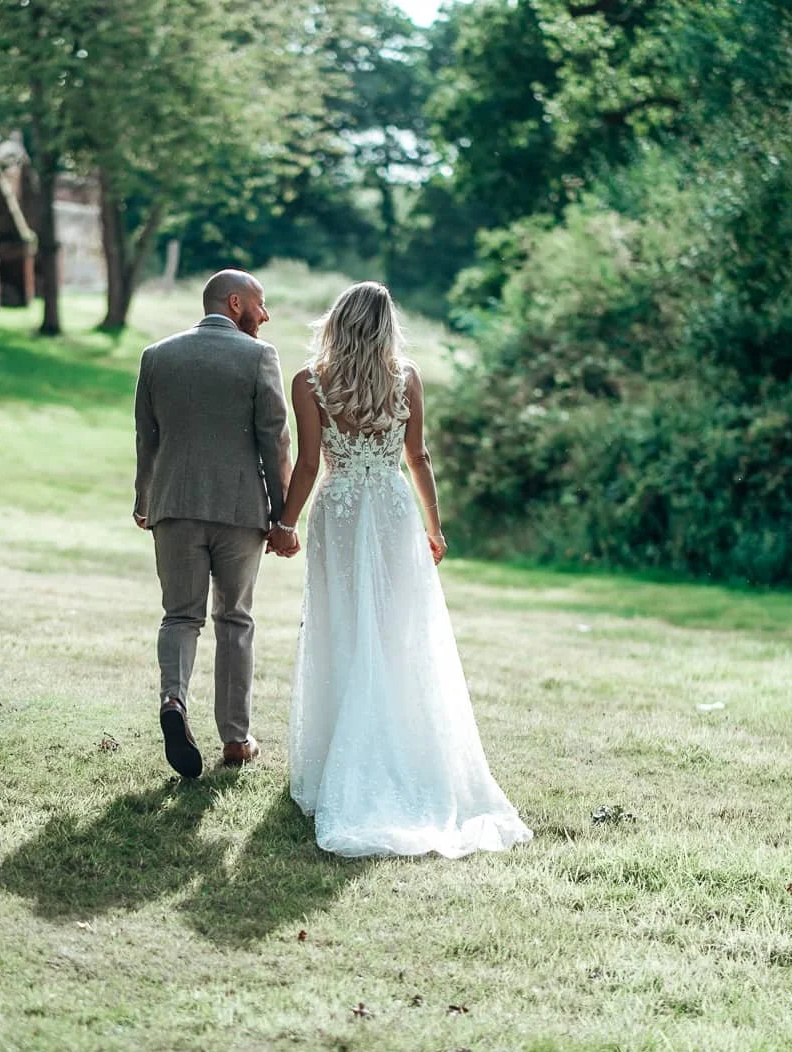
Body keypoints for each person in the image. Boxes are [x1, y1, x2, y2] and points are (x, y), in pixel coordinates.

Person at [270, 281, 532, 858]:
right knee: (396, 630)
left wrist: (286, 523)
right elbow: (418, 457)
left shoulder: (310, 382)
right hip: (392, 510)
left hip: (339, 511)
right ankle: (400, 749)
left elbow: (311, 463)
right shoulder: (406, 377)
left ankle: (345, 756)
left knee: (341, 624)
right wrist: (433, 526)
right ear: (387, 324)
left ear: (336, 320)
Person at [133, 269, 292, 779]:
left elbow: (146, 437)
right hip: (240, 512)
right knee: (235, 620)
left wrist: (145, 498)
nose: (265, 316)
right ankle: (235, 740)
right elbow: (274, 440)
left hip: (174, 505)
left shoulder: (157, 355)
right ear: (234, 302)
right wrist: (284, 514)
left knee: (180, 616)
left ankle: (173, 701)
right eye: (260, 305)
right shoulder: (259, 357)